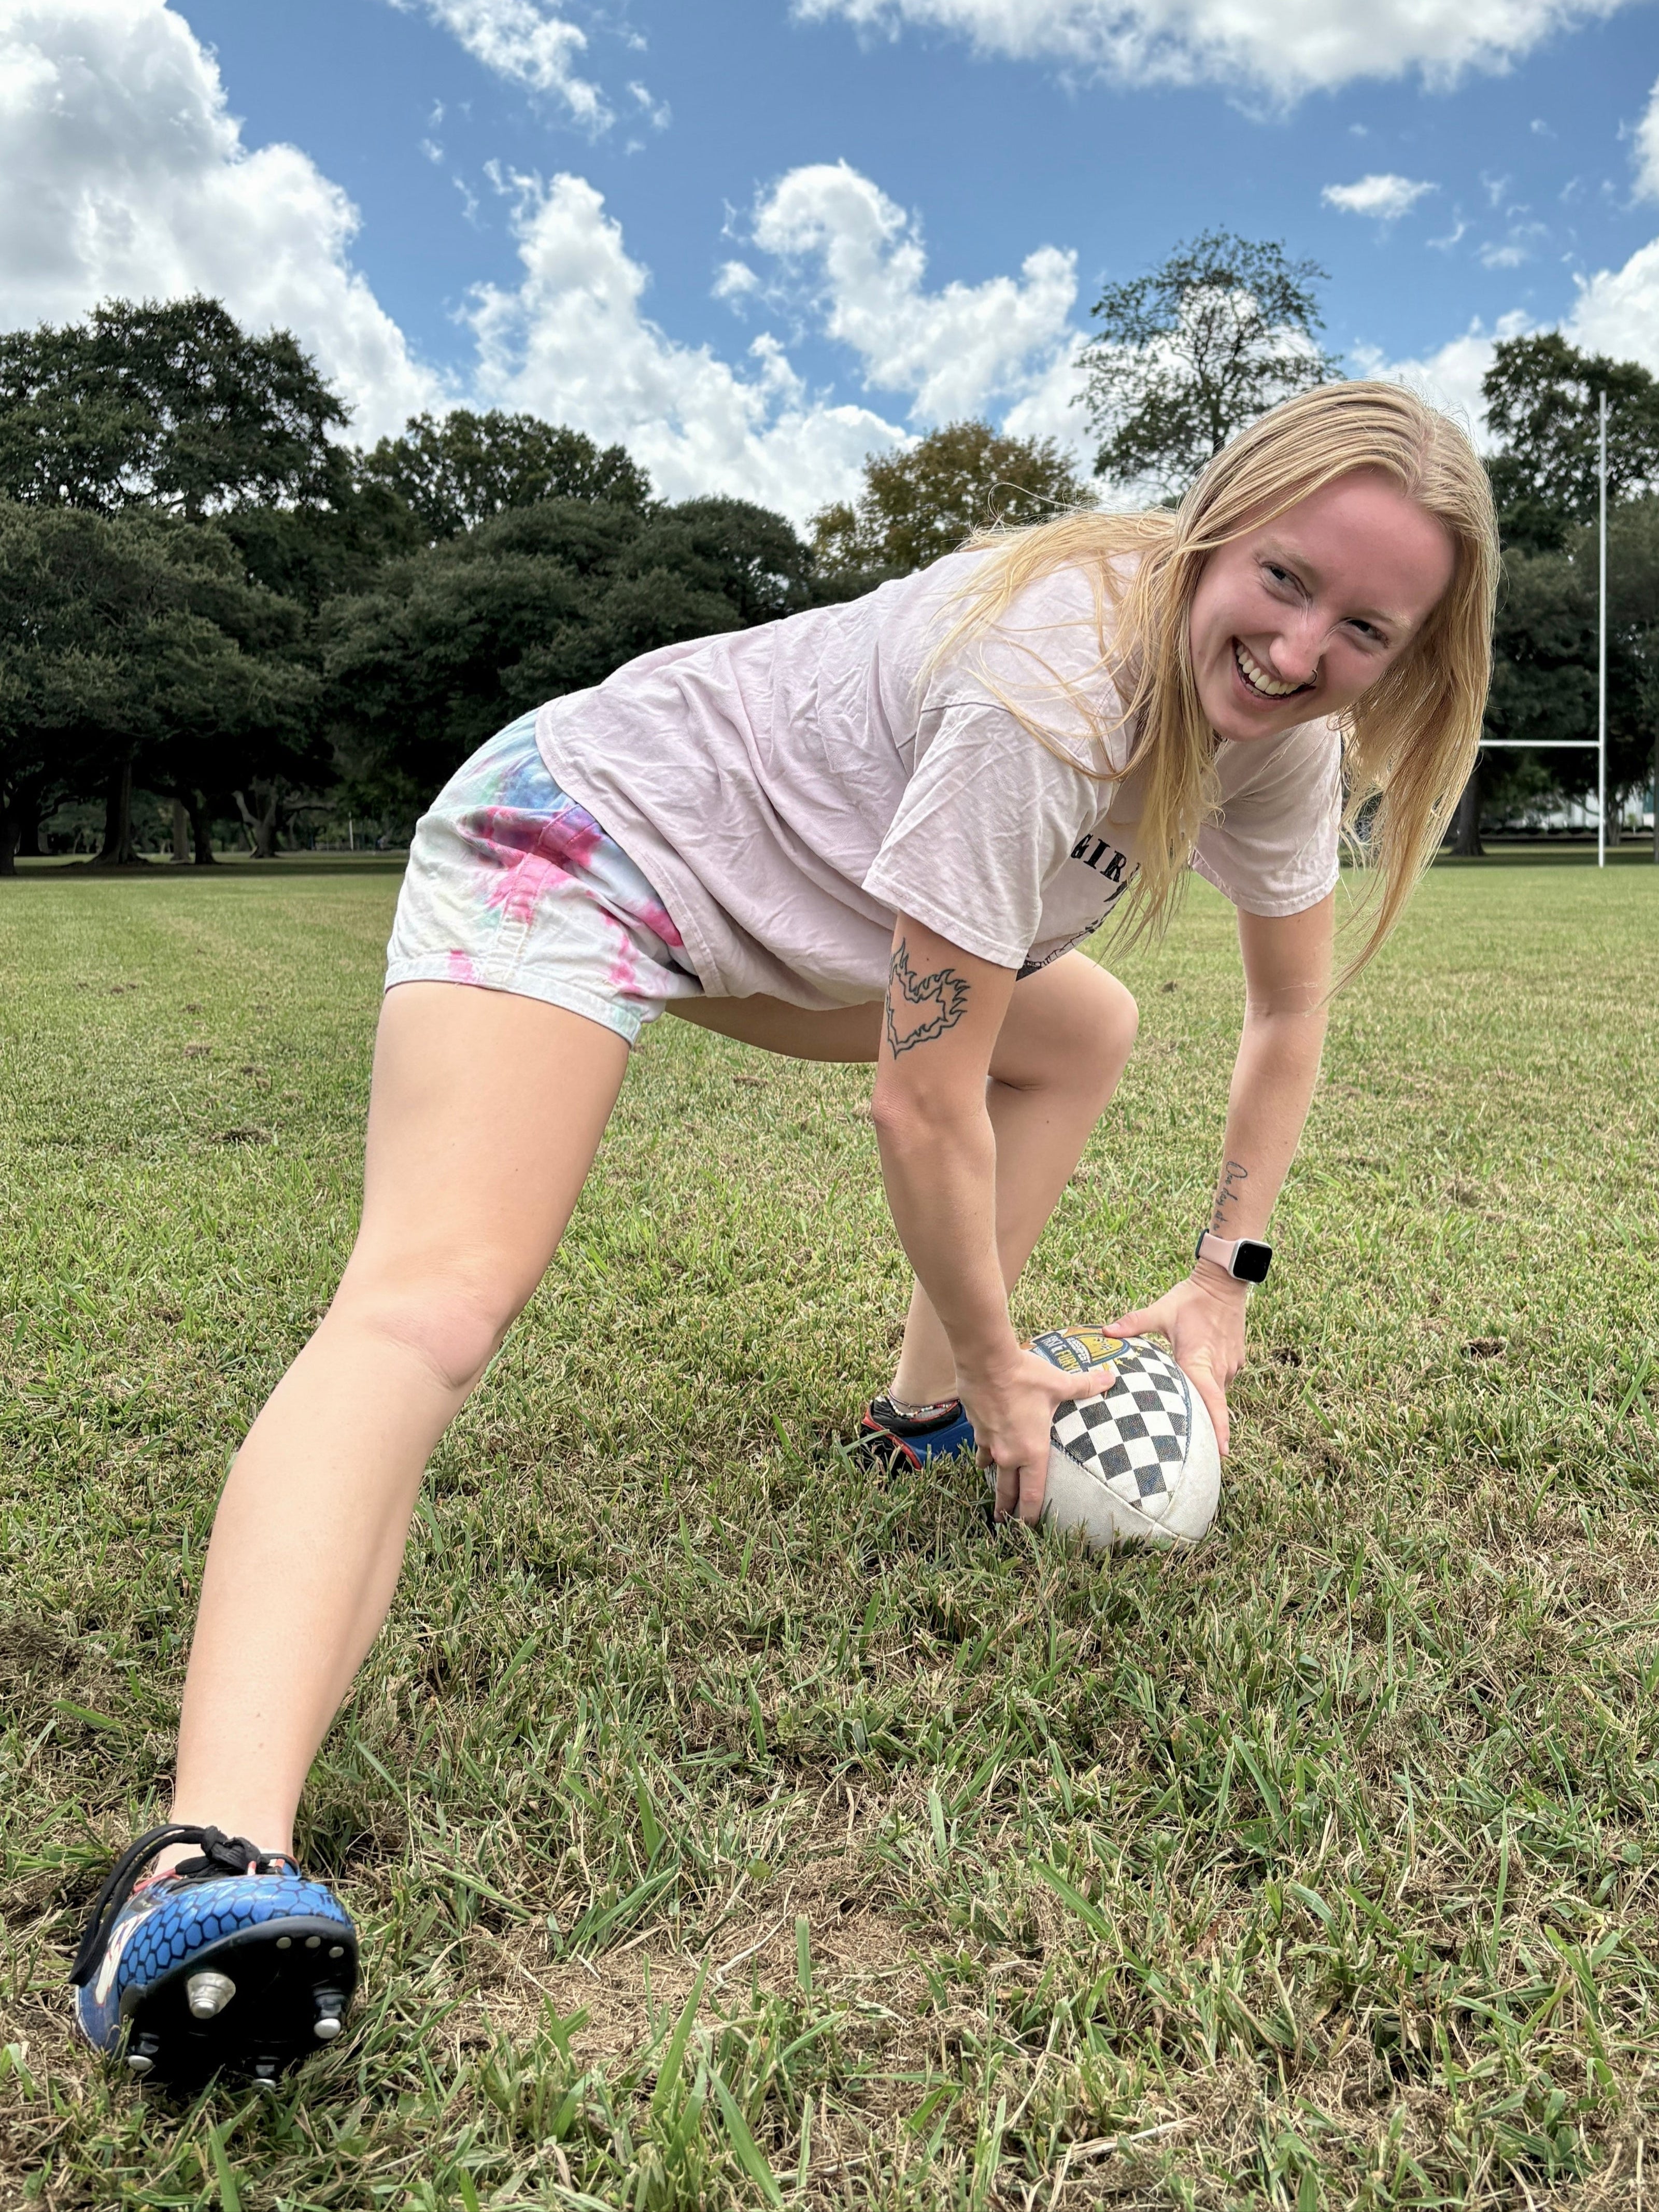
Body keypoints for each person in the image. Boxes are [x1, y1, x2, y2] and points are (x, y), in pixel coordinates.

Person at [70, 382, 1497, 2085]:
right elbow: (919, 1102)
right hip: (587, 841)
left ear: (1411, 657)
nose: (1294, 645)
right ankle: (203, 1866)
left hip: (792, 923)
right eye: (1278, 578)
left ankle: (916, 1424)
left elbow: (1283, 1017)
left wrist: (1218, 1278)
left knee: (1082, 1023)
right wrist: (1006, 1351)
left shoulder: (1282, 751)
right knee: (437, 1294)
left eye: (1361, 627)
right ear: (1212, 529)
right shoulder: (1050, 685)